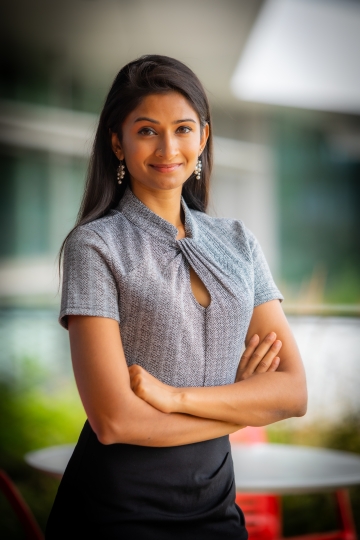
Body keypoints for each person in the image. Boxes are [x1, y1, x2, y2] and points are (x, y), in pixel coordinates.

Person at [46, 55, 307, 540]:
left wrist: (173, 398)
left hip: (218, 511)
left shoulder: (238, 242)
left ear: (203, 138)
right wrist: (241, 402)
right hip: (116, 513)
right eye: (147, 130)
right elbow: (114, 420)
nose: (168, 147)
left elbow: (293, 394)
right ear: (116, 143)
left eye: (183, 129)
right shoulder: (94, 246)